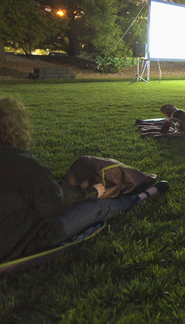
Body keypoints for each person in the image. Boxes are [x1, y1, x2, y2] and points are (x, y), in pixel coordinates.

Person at [0, 97, 168, 264]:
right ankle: (138, 198)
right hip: (27, 240)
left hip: (17, 227)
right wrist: (91, 192)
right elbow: (55, 204)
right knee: (97, 207)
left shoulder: (17, 163)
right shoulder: (20, 162)